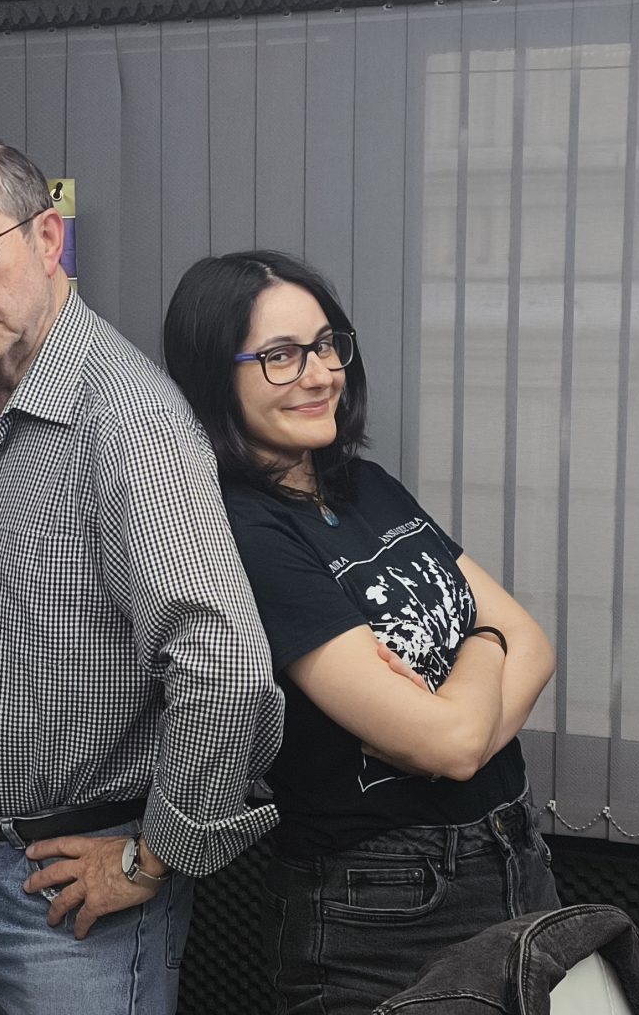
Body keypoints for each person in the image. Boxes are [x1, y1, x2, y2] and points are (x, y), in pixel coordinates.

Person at [0, 133, 285, 1014]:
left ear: (47, 237)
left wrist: (152, 858)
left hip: (72, 895)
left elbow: (225, 669)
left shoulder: (126, 417)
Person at [160, 250, 560, 1014]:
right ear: (215, 377)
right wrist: (483, 650)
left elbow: (533, 644)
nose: (319, 374)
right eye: (280, 355)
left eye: (325, 344)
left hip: (515, 854)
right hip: (386, 903)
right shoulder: (243, 532)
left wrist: (462, 709)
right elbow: (452, 740)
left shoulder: (367, 487)